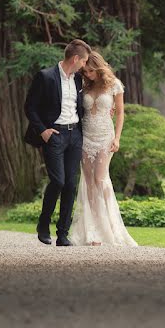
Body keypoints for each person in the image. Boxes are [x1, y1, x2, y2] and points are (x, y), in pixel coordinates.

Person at [23, 39, 91, 246]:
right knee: (58, 181)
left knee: (70, 185)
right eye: (84, 61)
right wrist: (43, 131)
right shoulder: (45, 77)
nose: (85, 66)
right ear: (75, 58)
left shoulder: (79, 79)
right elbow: (30, 107)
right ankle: (43, 224)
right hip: (55, 135)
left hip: (75, 136)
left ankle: (63, 234)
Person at [70, 51, 138, 247]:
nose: (88, 74)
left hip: (105, 137)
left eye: (90, 71)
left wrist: (117, 138)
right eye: (85, 71)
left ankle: (110, 227)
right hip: (86, 137)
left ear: (98, 68)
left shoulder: (115, 84)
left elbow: (120, 114)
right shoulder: (84, 85)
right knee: (89, 181)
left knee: (101, 179)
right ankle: (92, 230)